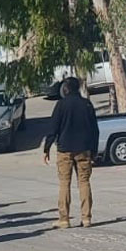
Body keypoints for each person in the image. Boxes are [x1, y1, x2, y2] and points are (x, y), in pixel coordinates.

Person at [43, 77, 99, 228]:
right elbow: (94, 129)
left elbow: (53, 127)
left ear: (66, 89)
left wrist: (47, 147)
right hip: (84, 149)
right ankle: (86, 218)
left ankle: (64, 219)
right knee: (84, 182)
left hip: (65, 149)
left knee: (64, 183)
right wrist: (94, 150)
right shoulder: (86, 104)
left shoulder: (61, 105)